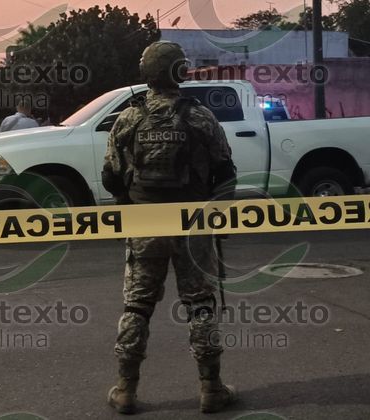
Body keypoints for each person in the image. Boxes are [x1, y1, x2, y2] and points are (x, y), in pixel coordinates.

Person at [101, 41, 238, 414]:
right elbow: (225, 173)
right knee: (201, 305)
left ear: (147, 73)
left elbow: (110, 177)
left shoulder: (127, 119)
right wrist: (218, 216)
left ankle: (126, 389)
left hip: (144, 224)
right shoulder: (200, 117)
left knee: (137, 306)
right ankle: (211, 388)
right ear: (180, 70)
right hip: (193, 225)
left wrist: (129, 206)